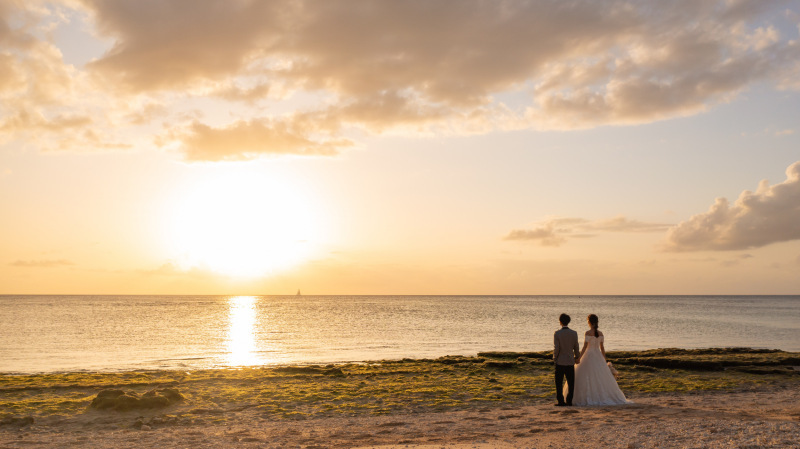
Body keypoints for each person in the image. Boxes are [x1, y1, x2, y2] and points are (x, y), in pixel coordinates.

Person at [570, 314, 631, 406]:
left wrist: (579, 357)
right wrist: (604, 360)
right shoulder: (601, 334)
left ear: (589, 322)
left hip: (589, 355)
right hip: (597, 355)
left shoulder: (587, 333)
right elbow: (602, 348)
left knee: (585, 375)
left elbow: (585, 347)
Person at [553, 313, 580, 406]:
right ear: (568, 322)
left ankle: (561, 401)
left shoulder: (557, 333)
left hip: (560, 361)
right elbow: (576, 347)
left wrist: (554, 358)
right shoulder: (574, 333)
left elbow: (556, 348)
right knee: (571, 383)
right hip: (570, 361)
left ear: (560, 322)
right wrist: (577, 357)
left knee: (559, 382)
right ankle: (569, 400)